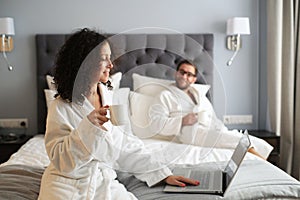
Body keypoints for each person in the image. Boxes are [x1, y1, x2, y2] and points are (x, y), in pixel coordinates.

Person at [38, 29, 199, 200]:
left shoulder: (108, 97)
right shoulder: (61, 107)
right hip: (65, 184)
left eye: (110, 57)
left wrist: (161, 174)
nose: (110, 64)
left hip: (101, 182)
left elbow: (124, 143)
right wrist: (87, 128)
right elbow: (61, 161)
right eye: (103, 58)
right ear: (84, 63)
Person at [149, 60, 273, 159]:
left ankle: (261, 160)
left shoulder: (200, 96)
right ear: (176, 73)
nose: (184, 76)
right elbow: (155, 124)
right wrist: (182, 120)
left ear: (194, 79)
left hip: (210, 129)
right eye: (182, 72)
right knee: (240, 142)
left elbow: (213, 118)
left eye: (189, 74)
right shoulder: (165, 95)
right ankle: (267, 166)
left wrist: (223, 130)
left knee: (255, 141)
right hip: (191, 133)